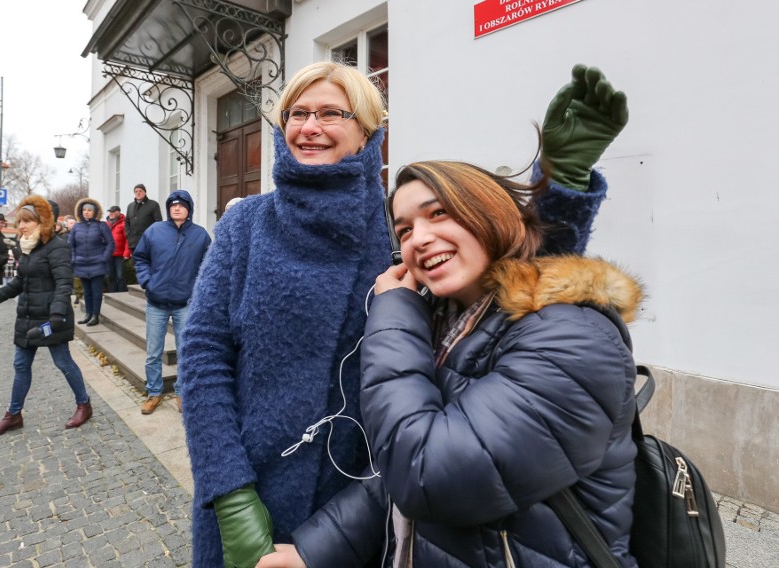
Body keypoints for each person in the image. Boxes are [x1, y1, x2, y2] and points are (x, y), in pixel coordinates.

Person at [179, 62, 629, 567]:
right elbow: (202, 358)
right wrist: (228, 491)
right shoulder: (246, 223)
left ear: (367, 130)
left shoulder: (394, 227)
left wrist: (559, 186)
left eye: (330, 112)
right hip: (250, 489)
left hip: (365, 496)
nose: (309, 127)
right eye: (297, 113)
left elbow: (506, 277)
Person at [259, 161, 643, 568]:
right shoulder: (455, 325)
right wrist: (315, 550)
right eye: (404, 229)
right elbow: (398, 465)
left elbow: (425, 474)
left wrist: (393, 314)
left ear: (490, 214)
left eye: (438, 213)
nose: (419, 239)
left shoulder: (572, 336)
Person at [0, 195, 93, 437]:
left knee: (63, 362)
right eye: (20, 221)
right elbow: (20, 282)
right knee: (20, 365)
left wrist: (57, 314)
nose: (22, 226)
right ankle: (13, 415)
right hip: (27, 316)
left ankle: (84, 405)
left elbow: (63, 283)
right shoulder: (27, 246)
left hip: (51, 318)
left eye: (28, 221)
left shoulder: (56, 246)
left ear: (42, 221)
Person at [133, 190, 210, 415]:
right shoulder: (154, 231)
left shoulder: (200, 235)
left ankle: (182, 392)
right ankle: (154, 393)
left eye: (182, 205)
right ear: (168, 208)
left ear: (189, 209)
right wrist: (147, 281)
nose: (176, 208)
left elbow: (208, 267)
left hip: (184, 303)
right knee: (153, 352)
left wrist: (197, 290)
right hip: (156, 302)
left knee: (185, 350)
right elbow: (140, 258)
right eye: (173, 205)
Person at [68, 198, 114, 327]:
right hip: (81, 264)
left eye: (89, 210)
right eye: (84, 210)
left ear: (95, 212)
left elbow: (110, 243)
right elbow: (71, 245)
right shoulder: (76, 227)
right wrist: (74, 259)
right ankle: (88, 314)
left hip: (97, 263)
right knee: (86, 291)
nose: (86, 212)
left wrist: (104, 258)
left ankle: (95, 315)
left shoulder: (101, 225)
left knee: (96, 291)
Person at [125, 184, 162, 254]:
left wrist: (152, 237)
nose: (138, 193)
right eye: (136, 191)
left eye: (140, 191)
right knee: (137, 264)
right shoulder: (130, 206)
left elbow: (158, 223)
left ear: (145, 192)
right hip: (133, 243)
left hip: (148, 242)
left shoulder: (153, 205)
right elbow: (127, 222)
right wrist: (128, 234)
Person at [105, 205, 129, 293]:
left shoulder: (124, 223)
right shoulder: (106, 224)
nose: (111, 213)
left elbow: (127, 239)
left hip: (120, 255)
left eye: (113, 212)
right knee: (109, 276)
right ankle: (112, 294)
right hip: (109, 254)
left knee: (120, 276)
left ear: (118, 212)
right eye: (110, 212)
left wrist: (126, 253)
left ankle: (122, 294)